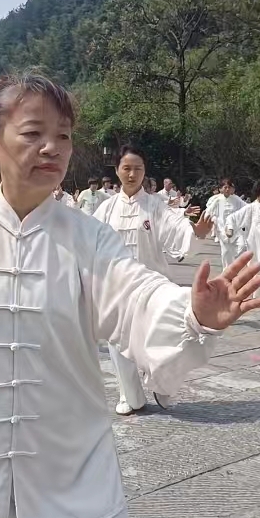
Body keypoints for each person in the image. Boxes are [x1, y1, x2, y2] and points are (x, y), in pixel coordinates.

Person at [0, 71, 260, 518]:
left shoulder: (88, 238)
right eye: (33, 133)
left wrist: (193, 315)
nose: (52, 147)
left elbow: (136, 294)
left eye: (64, 136)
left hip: (69, 468)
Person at [94, 144, 209, 416]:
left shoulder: (156, 205)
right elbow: (90, 241)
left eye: (138, 168)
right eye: (127, 168)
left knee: (160, 339)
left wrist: (196, 231)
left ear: (144, 171)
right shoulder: (107, 208)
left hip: (152, 287)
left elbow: (177, 226)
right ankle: (129, 394)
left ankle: (162, 382)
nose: (132, 174)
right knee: (118, 342)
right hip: (117, 289)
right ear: (117, 170)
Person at [226, 181, 260, 299]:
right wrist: (229, 228)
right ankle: (259, 297)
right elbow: (233, 218)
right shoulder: (250, 208)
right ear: (257, 191)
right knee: (257, 271)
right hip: (254, 244)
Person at [204, 178, 246, 268]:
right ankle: (227, 273)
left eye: (229, 187)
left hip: (236, 230)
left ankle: (237, 267)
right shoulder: (217, 200)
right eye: (225, 187)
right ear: (221, 189)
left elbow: (247, 209)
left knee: (242, 246)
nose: (227, 189)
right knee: (226, 253)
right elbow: (208, 211)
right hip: (222, 230)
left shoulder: (236, 199)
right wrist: (207, 221)